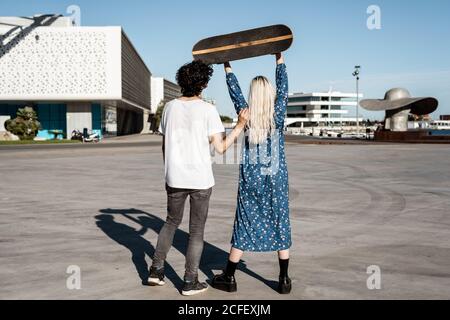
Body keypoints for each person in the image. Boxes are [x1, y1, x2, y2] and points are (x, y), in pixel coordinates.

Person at [148, 60, 249, 296]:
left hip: (174, 177)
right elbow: (221, 148)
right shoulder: (207, 110)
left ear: (181, 82)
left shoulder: (170, 108)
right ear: (203, 84)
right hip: (200, 180)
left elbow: (165, 145)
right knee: (196, 231)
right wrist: (240, 125)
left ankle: (155, 270)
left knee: (170, 222)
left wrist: (169, 170)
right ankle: (190, 281)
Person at [211, 53, 292, 294]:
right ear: (270, 95)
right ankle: (284, 279)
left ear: (252, 95)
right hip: (276, 178)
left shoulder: (244, 114)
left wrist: (227, 65)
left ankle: (229, 276)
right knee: (280, 221)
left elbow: (234, 91)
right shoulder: (277, 115)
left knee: (245, 222)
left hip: (251, 178)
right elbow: (284, 87)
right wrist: (279, 59)